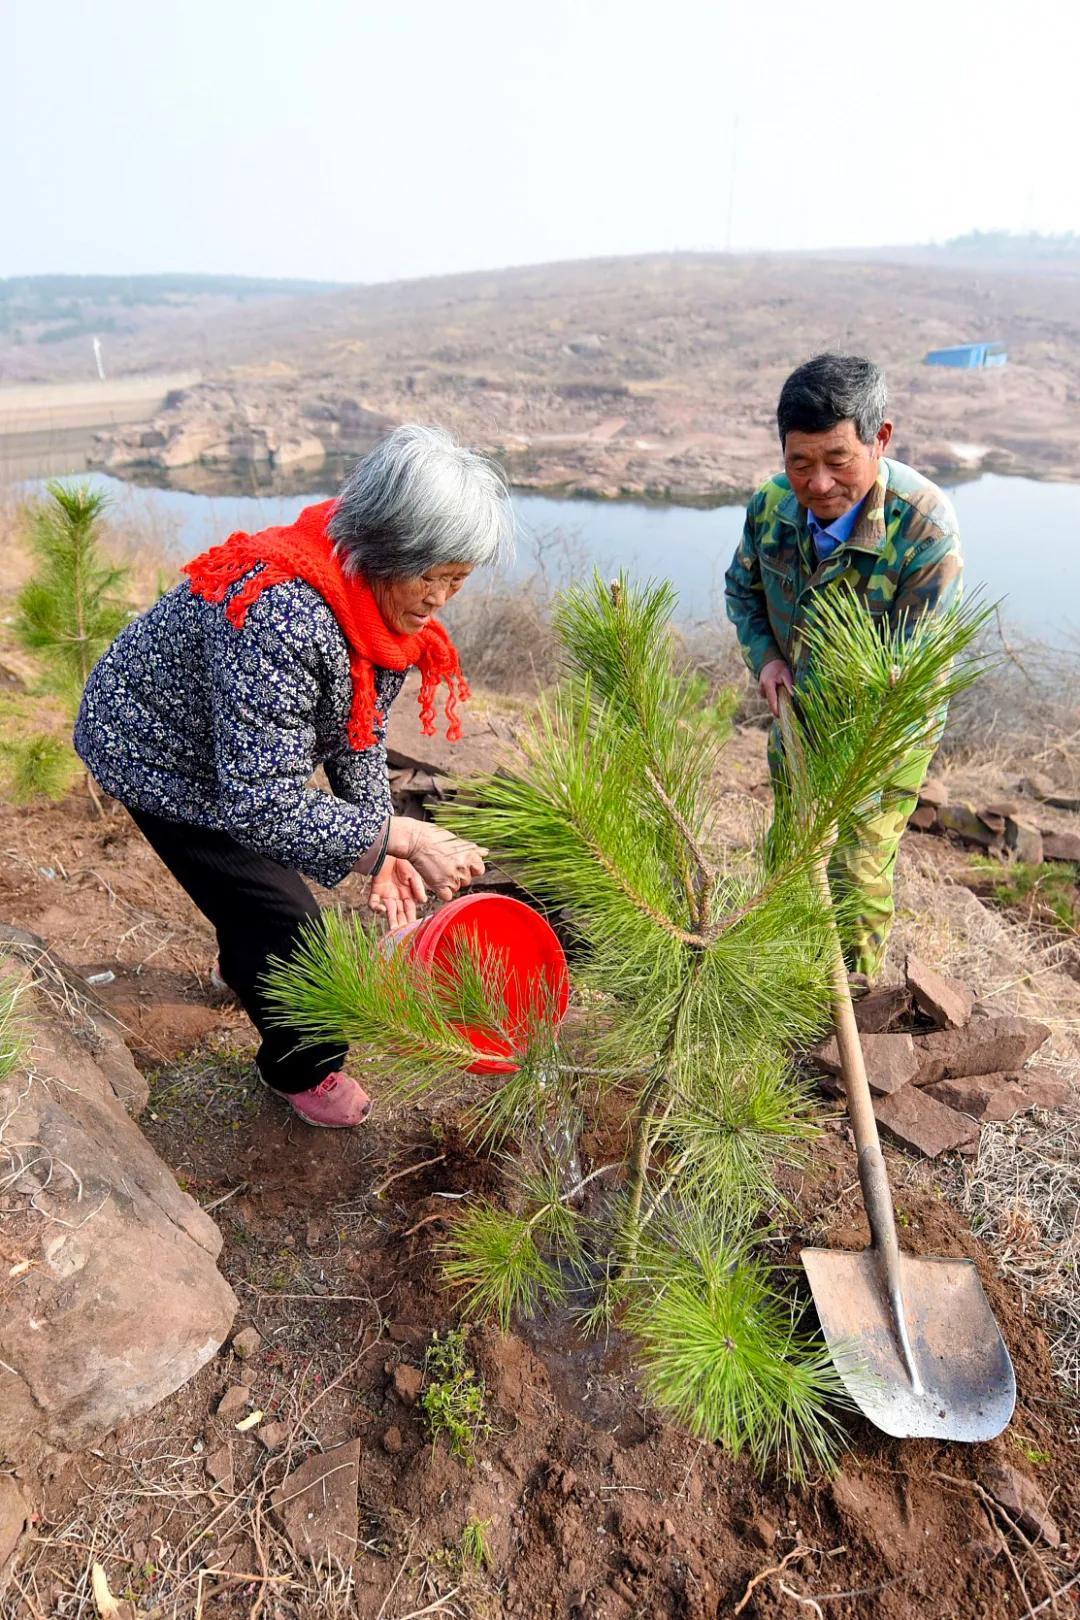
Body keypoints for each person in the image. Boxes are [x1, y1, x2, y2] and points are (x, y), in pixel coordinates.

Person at [75, 425, 512, 1128]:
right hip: (157, 754)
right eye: (430, 575)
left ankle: (241, 956)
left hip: (229, 761)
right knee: (291, 926)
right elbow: (257, 806)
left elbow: (357, 725)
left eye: (456, 580)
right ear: (383, 544)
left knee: (259, 908)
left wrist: (379, 850)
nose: (440, 599)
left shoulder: (375, 608)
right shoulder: (282, 611)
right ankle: (300, 1068)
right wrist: (392, 833)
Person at [724, 354, 963, 980]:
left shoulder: (924, 530)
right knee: (791, 854)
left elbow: (910, 671)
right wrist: (769, 659)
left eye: (837, 461)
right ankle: (777, 980)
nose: (818, 483)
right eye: (799, 462)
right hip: (797, 715)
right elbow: (742, 593)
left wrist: (847, 760)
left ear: (880, 438)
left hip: (883, 733)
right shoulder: (771, 508)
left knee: (854, 868)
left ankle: (849, 1009)